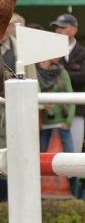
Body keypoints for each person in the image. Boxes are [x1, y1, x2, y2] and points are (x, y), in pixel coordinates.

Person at [37, 57, 76, 193]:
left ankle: (75, 194)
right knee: (39, 159)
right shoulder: (35, 73)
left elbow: (71, 97)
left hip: (62, 122)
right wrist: (42, 105)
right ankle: (37, 192)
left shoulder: (62, 72)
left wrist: (68, 120)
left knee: (71, 159)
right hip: (43, 123)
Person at [51, 13, 85, 155]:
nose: (59, 30)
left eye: (63, 27)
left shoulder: (83, 52)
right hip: (52, 111)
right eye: (57, 27)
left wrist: (60, 75)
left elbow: (83, 78)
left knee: (75, 151)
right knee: (50, 153)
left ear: (74, 30)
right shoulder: (50, 51)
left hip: (77, 110)